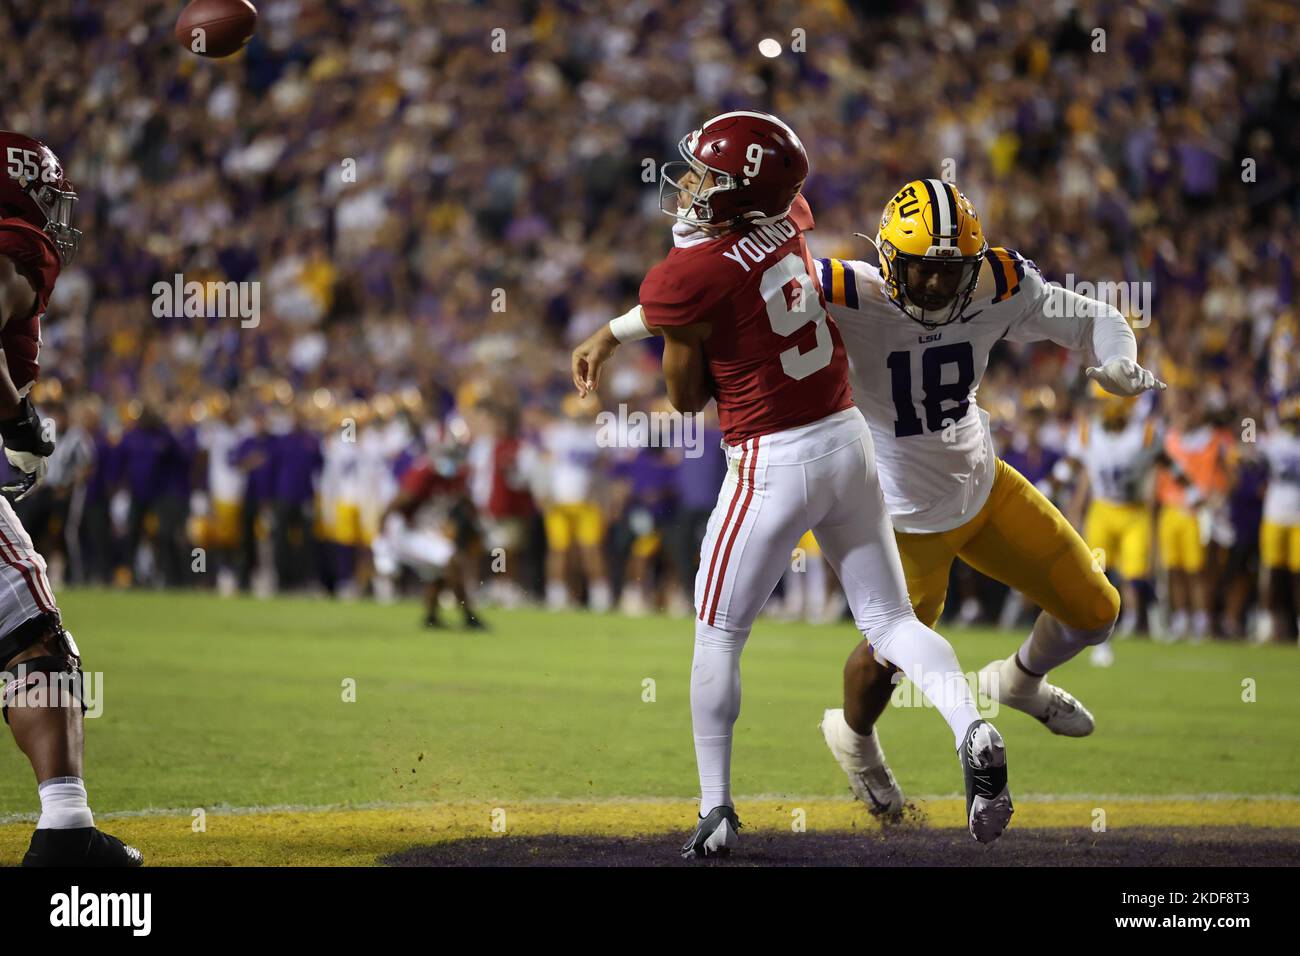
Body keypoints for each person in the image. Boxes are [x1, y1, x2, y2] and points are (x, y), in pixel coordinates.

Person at [572, 116, 1011, 855]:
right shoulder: (788, 220)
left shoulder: (688, 271)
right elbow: (719, 280)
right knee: (891, 622)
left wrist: (672, 339)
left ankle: (714, 810)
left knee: (718, 632)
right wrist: (614, 331)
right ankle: (972, 726)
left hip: (771, 459)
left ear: (740, 191)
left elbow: (684, 399)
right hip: (845, 438)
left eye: (707, 177)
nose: (690, 186)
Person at [807, 180, 1165, 814]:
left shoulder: (997, 283)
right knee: (886, 658)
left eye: (953, 273)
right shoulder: (844, 292)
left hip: (984, 485)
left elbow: (1093, 318)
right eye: (925, 273)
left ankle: (1020, 681)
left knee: (1097, 611)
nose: (941, 289)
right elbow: (736, 294)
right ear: (889, 260)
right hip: (902, 519)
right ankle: (855, 740)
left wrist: (1117, 359)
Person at [0, 130, 140, 865]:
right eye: (48, 192)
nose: (54, 210)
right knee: (34, 636)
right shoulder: (18, 241)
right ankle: (66, 833)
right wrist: (16, 419)